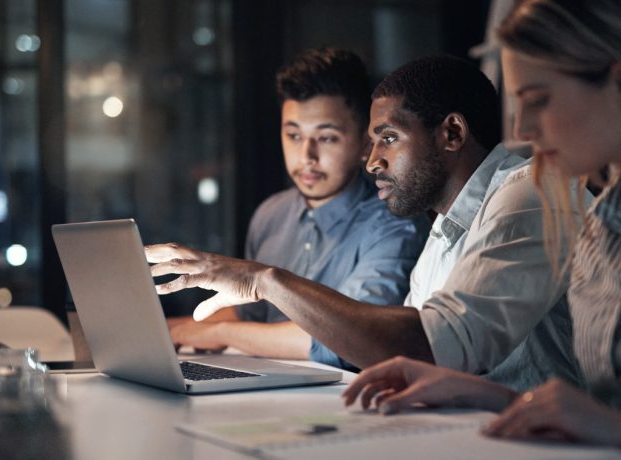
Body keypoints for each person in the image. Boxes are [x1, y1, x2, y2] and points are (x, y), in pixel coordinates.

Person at [145, 55, 588, 391]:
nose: (373, 160)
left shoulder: (531, 192)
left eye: (389, 138)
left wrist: (264, 280)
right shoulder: (444, 228)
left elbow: (430, 346)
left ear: (452, 134)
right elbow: (411, 361)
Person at [343, 0, 621, 447]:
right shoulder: (605, 217)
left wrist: (267, 280)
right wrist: (491, 396)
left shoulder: (542, 193)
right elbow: (586, 409)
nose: (524, 128)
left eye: (538, 100)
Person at [166, 48, 428, 370]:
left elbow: (346, 340)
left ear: (364, 143)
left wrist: (222, 333)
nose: (307, 155)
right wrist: (171, 330)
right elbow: (252, 315)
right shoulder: (271, 214)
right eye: (293, 135)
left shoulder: (394, 225)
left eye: (327, 138)